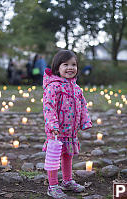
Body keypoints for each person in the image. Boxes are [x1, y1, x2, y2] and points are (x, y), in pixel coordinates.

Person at [42, 50, 92, 198]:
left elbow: (82, 106)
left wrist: (85, 121)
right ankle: (52, 186)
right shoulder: (54, 86)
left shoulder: (77, 89)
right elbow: (48, 107)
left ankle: (67, 181)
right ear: (58, 68)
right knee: (54, 157)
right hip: (56, 131)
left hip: (71, 131)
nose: (70, 68)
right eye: (66, 64)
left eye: (74, 65)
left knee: (68, 155)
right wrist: (53, 126)